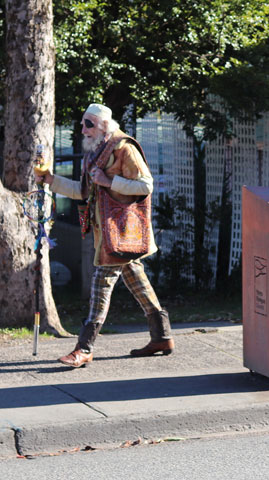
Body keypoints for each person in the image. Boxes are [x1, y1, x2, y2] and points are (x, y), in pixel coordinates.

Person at [35, 103, 174, 368]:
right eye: (82, 123)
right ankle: (162, 336)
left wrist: (110, 182)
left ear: (104, 126)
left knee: (100, 287)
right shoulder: (95, 152)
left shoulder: (124, 148)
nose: (83, 129)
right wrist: (50, 179)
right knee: (139, 285)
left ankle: (84, 348)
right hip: (110, 235)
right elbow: (84, 191)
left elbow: (146, 185)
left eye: (89, 124)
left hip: (120, 233)